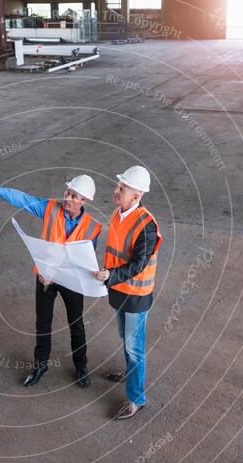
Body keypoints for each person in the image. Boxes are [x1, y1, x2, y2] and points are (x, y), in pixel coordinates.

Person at [0, 174, 102, 388]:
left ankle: (81, 367)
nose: (67, 198)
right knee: (43, 324)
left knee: (76, 324)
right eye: (67, 193)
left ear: (84, 201)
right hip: (46, 277)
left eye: (74, 196)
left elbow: (87, 260)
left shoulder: (93, 227)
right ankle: (40, 366)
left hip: (71, 282)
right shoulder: (50, 209)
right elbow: (25, 200)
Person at [93, 166, 162, 419]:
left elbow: (138, 264)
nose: (116, 191)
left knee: (134, 348)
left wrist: (110, 275)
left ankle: (136, 399)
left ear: (137, 196)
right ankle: (131, 374)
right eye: (118, 186)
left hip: (135, 296)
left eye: (122, 189)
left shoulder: (147, 226)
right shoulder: (117, 213)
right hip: (118, 291)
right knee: (125, 337)